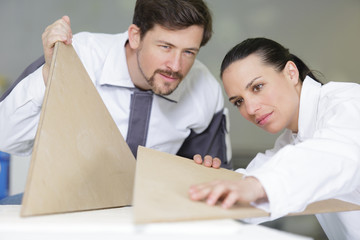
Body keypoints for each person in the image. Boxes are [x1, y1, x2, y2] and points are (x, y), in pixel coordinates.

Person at [0, 0, 232, 204]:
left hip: (148, 209)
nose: (175, 65)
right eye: (165, 47)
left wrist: (207, 174)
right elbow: (6, 138)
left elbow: (211, 182)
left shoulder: (204, 88)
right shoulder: (78, 54)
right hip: (63, 203)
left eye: (189, 52)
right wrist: (50, 72)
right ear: (135, 36)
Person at [189, 37, 360, 240]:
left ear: (291, 73)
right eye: (239, 101)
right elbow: (254, 184)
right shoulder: (290, 142)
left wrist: (255, 186)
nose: (250, 109)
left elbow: (332, 157)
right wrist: (207, 180)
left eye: (257, 87)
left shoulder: (348, 102)